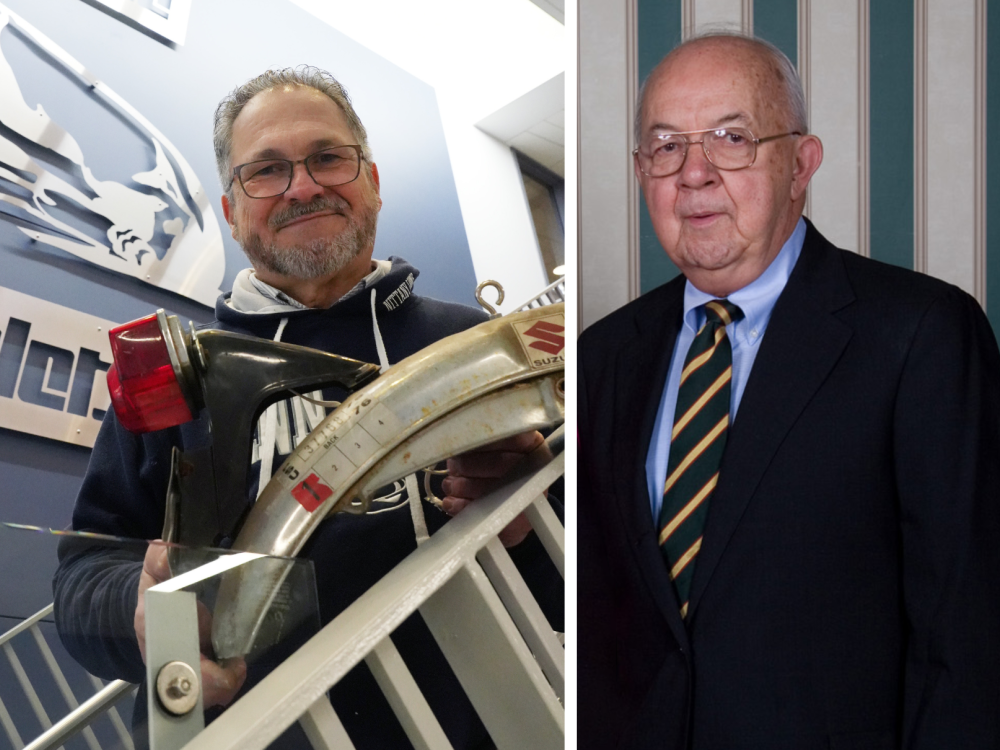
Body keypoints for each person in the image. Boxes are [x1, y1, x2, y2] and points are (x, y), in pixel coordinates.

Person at [53, 66, 562, 749]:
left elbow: (587, 579)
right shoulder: (173, 378)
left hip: (478, 726)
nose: (302, 186)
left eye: (327, 158)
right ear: (231, 213)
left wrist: (527, 528)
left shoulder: (476, 347)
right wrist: (141, 612)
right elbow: (82, 579)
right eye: (265, 170)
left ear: (373, 184)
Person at [578, 33, 1000, 749]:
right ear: (642, 170)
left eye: (731, 138)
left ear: (801, 164)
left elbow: (967, 636)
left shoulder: (922, 334)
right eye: (666, 146)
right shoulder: (604, 355)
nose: (694, 173)